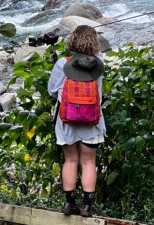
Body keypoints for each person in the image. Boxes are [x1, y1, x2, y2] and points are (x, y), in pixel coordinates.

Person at [48, 25, 106, 217]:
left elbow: (52, 90)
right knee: (89, 162)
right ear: (93, 42)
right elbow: (99, 93)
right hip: (92, 119)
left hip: (67, 119)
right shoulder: (99, 63)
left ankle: (69, 204)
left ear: (72, 40)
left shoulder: (61, 64)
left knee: (71, 160)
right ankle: (87, 206)